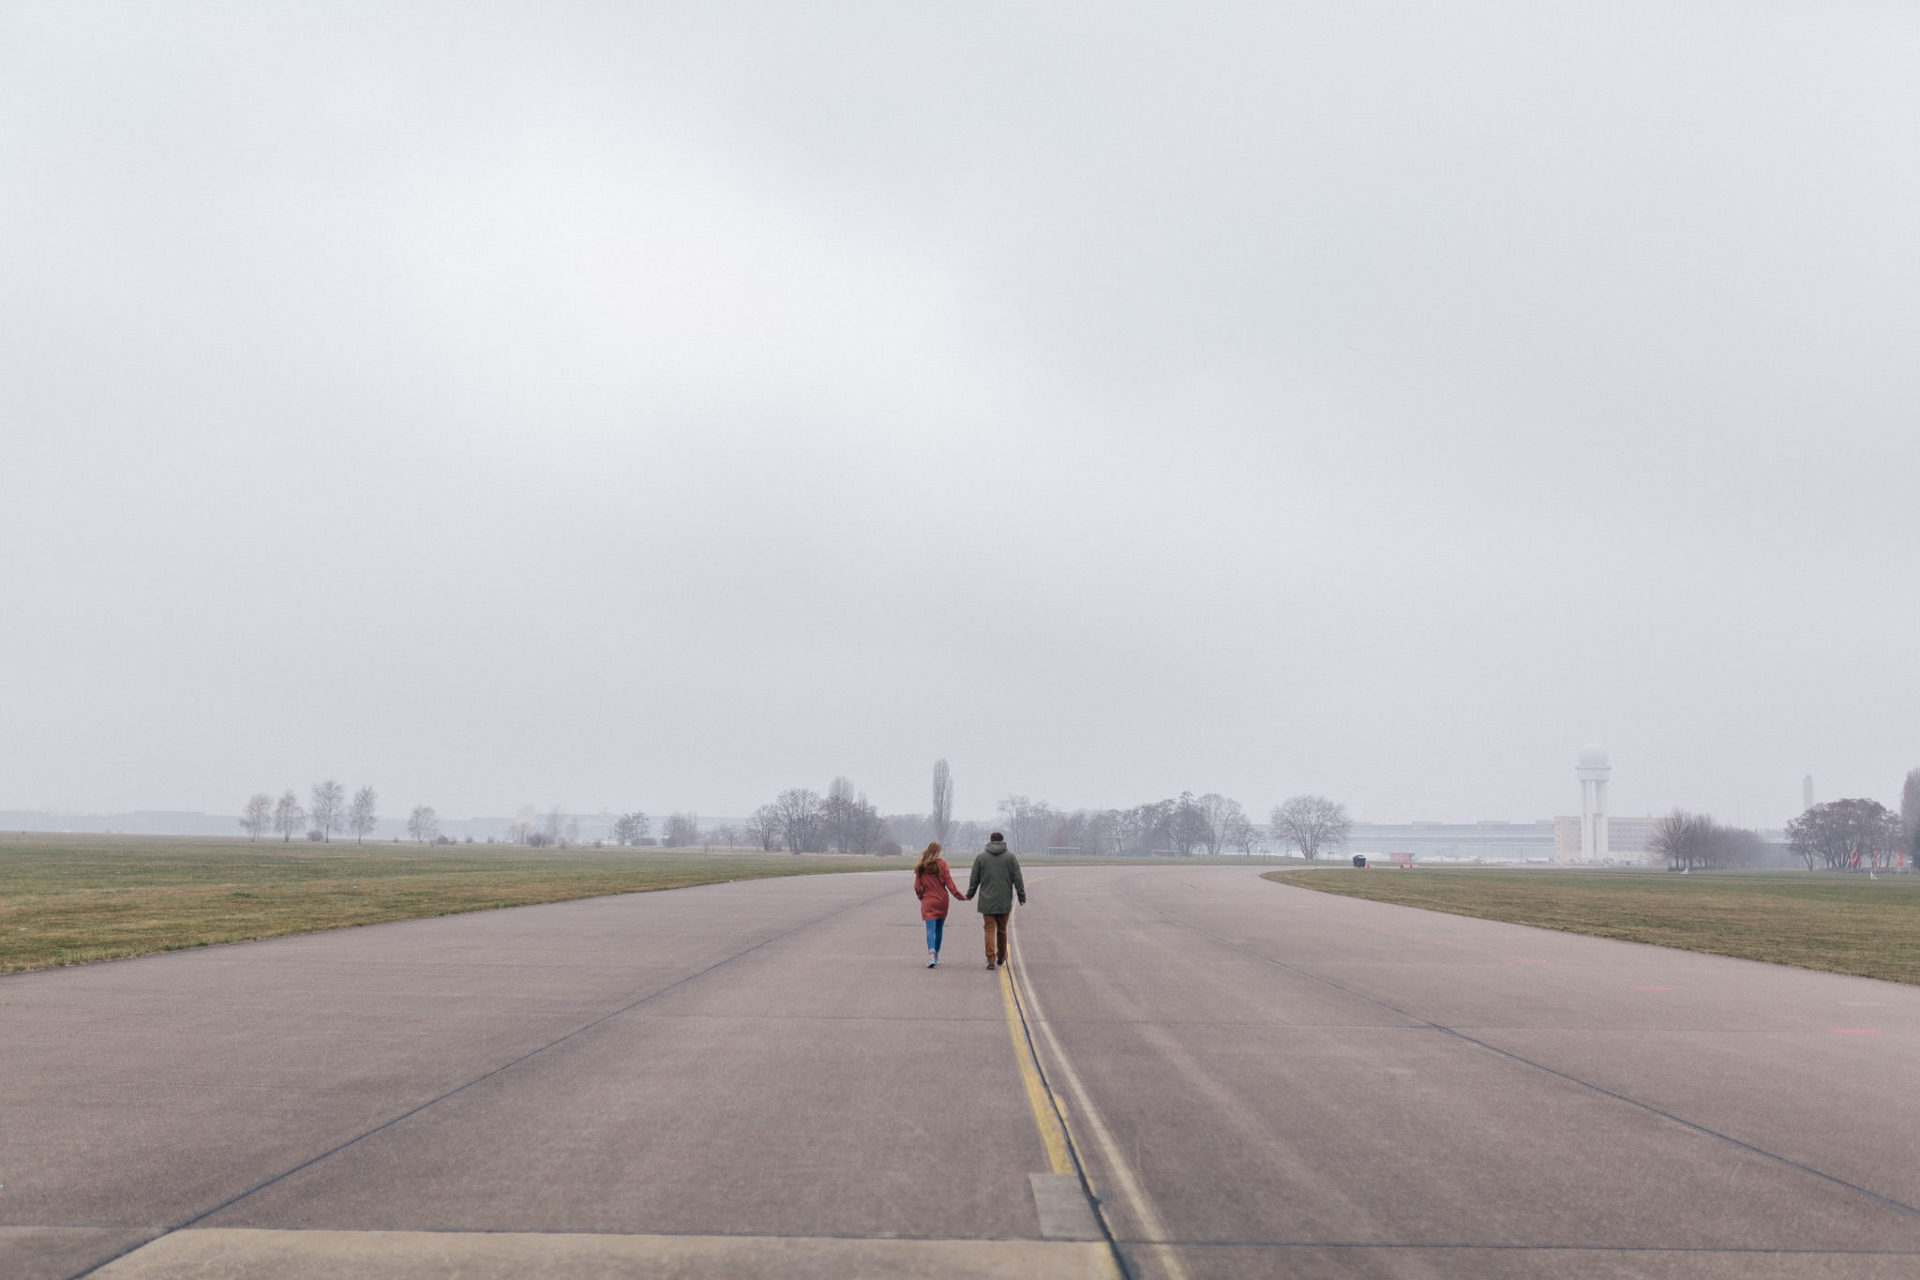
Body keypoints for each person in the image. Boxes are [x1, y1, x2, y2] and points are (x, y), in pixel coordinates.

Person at [965, 831, 1026, 969]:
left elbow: (974, 879)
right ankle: (1002, 956)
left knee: (989, 929)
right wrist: (1021, 896)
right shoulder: (1010, 857)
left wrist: (970, 894)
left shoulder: (981, 857)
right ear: (1002, 841)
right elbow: (1017, 878)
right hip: (1004, 900)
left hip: (987, 900)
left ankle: (990, 958)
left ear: (990, 840)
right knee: (1002, 930)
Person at [912, 842, 964, 967]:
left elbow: (917, 887)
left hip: (928, 901)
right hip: (942, 900)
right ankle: (936, 956)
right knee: (939, 929)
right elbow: (949, 884)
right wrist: (959, 896)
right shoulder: (942, 864)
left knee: (930, 929)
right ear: (938, 852)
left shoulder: (921, 866)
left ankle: (931, 954)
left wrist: (921, 896)